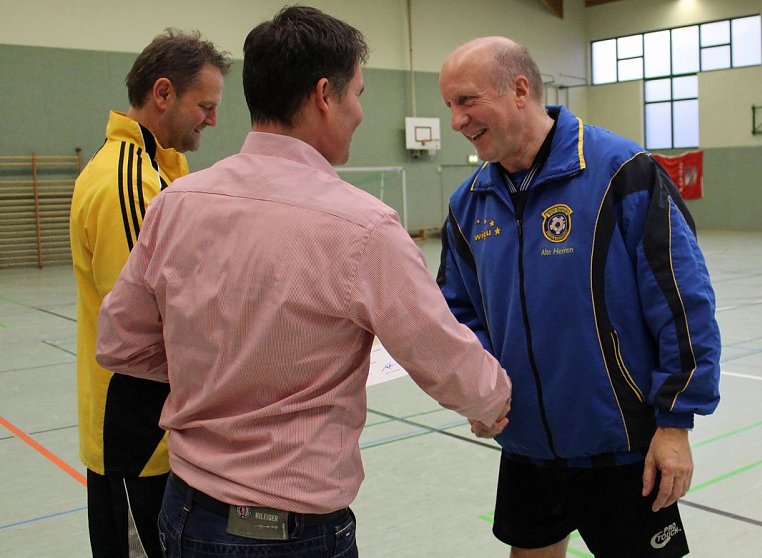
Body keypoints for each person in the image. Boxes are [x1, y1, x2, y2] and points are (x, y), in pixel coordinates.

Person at [95, 6, 511, 558]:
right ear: (324, 95)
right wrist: (496, 400)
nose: (360, 112)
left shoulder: (176, 204)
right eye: (357, 93)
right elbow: (439, 353)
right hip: (290, 533)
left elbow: (120, 341)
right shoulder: (362, 226)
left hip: (186, 511)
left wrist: (219, 367)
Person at [437, 36, 721, 558]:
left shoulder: (623, 173)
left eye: (466, 100)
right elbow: (458, 315)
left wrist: (676, 423)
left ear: (519, 90)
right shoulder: (468, 204)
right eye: (449, 105)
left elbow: (682, 304)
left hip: (620, 444)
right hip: (525, 446)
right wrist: (476, 389)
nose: (456, 120)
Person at [70, 29, 230, 558]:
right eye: (204, 105)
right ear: (163, 93)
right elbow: (148, 319)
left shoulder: (152, 170)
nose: (212, 119)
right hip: (137, 433)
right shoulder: (130, 181)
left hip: (149, 430)